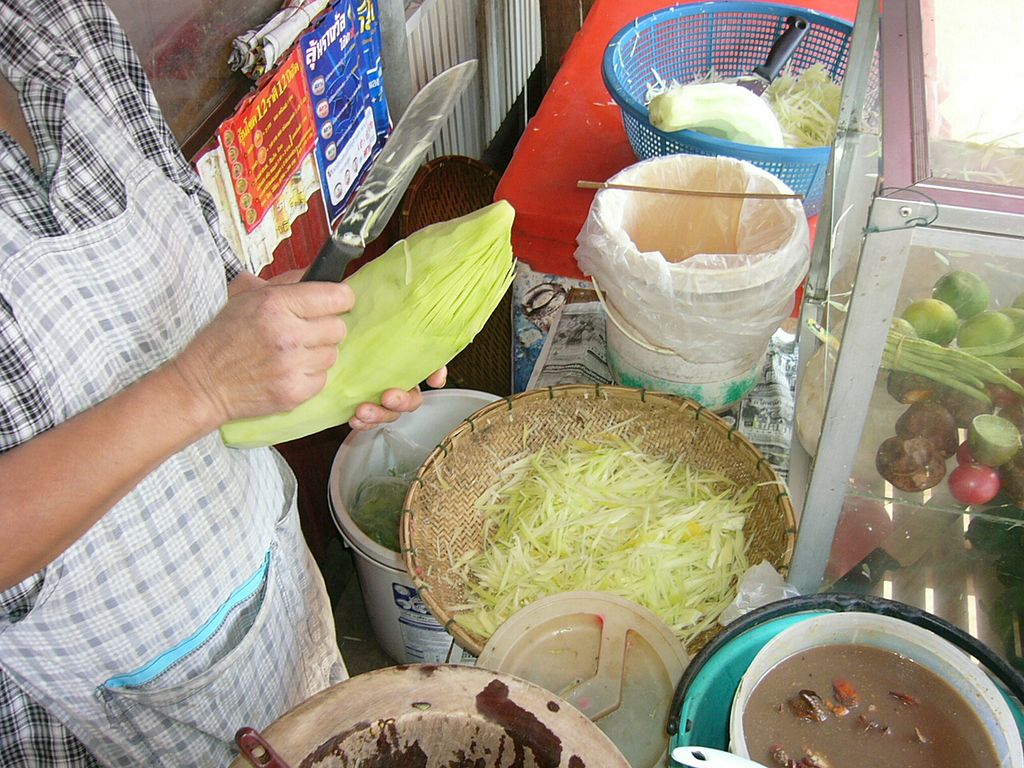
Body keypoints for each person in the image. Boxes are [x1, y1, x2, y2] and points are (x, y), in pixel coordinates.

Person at [0, 0, 445, 764]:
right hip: (107, 705)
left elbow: (209, 275)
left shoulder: (59, 22)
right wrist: (198, 390)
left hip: (266, 582)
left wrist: (335, 333)